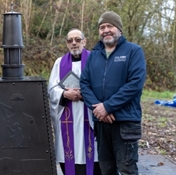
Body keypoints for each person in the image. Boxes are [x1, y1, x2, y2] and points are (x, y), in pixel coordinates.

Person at [80, 11, 146, 175]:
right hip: (102, 122)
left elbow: (135, 83)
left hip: (124, 122)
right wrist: (99, 109)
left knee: (127, 169)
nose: (106, 30)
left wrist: (108, 107)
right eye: (102, 27)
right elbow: (84, 83)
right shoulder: (94, 55)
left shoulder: (133, 51)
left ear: (120, 29)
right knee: (106, 169)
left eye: (110, 26)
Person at [48, 28, 101, 175]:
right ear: (66, 44)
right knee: (69, 154)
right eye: (70, 40)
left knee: (93, 155)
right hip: (68, 115)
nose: (74, 43)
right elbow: (51, 89)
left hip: (89, 115)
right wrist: (65, 93)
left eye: (78, 40)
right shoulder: (59, 63)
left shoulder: (95, 59)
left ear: (84, 41)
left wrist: (86, 94)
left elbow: (103, 86)